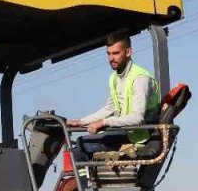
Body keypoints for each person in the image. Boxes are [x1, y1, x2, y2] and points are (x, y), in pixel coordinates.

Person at [66, 30, 160, 159]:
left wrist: (104, 122)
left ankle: (85, 179)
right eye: (108, 54)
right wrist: (82, 121)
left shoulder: (140, 78)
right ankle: (92, 178)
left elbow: (138, 118)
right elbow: (109, 108)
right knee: (81, 144)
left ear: (128, 52)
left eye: (116, 53)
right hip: (125, 131)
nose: (111, 58)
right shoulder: (114, 78)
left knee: (81, 147)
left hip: (139, 135)